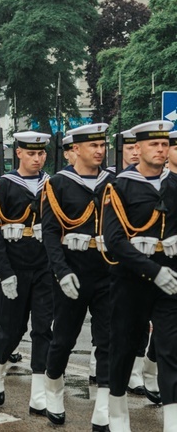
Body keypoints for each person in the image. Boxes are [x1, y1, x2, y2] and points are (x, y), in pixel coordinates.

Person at [102, 120, 177, 431]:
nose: (160, 150)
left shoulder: (173, 185)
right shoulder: (119, 186)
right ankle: (117, 415)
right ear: (138, 148)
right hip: (131, 281)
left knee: (170, 350)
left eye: (164, 145)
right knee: (124, 347)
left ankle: (173, 421)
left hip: (170, 282)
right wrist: (153, 270)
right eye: (153, 145)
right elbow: (114, 240)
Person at [40, 123, 113, 429]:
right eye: (93, 146)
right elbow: (50, 232)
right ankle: (54, 387)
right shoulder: (57, 184)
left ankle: (105, 405)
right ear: (76, 150)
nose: (99, 151)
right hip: (72, 270)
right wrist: (61, 271)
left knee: (108, 339)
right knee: (64, 338)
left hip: (108, 269)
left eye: (102, 145)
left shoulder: (113, 182)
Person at [0, 132, 53, 413]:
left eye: (41, 154)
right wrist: (4, 272)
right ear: (19, 154)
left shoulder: (52, 185)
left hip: (44, 267)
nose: (37, 158)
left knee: (43, 329)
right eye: (31, 153)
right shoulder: (3, 185)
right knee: (12, 328)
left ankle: (39, 393)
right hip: (15, 267)